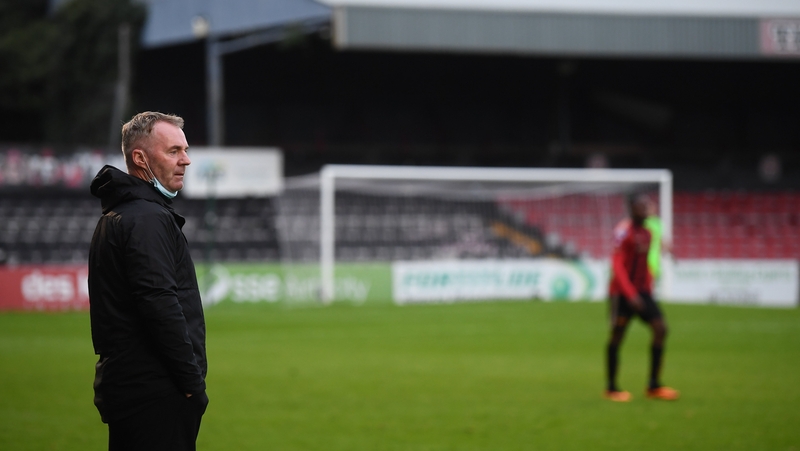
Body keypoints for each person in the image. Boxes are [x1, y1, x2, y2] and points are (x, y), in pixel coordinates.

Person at [88, 112, 208, 450]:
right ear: (140, 158)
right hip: (156, 393)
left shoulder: (122, 214)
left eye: (184, 150)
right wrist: (191, 383)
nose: (185, 160)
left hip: (134, 390)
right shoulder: (146, 219)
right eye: (173, 151)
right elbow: (159, 304)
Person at [604, 194, 678, 402]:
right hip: (622, 293)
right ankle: (611, 387)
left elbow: (644, 265)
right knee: (617, 337)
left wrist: (646, 291)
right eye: (640, 206)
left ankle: (653, 385)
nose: (645, 210)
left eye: (646, 206)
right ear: (631, 209)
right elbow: (617, 265)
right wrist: (630, 294)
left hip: (642, 292)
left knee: (661, 329)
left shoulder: (648, 233)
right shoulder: (623, 231)